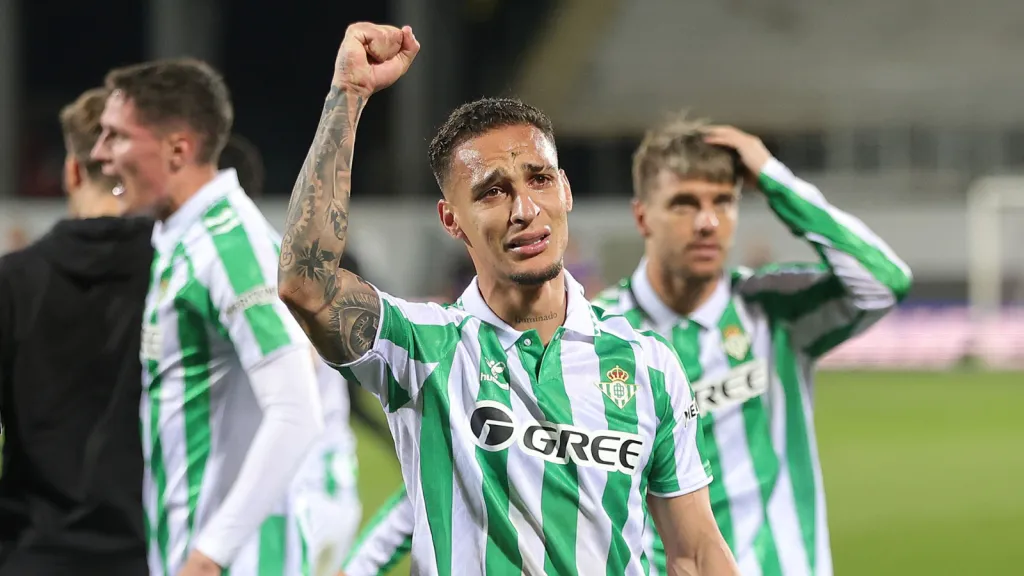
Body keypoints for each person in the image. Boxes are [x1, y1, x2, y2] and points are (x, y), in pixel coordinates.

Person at [278, 22, 740, 576]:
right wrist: (348, 96)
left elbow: (695, 553)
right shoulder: (423, 348)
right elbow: (305, 283)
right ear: (451, 219)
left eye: (539, 179)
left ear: (565, 189)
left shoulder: (648, 365)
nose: (525, 210)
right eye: (493, 191)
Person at [593, 116, 912, 574]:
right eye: (684, 203)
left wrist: (773, 179)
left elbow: (884, 281)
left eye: (724, 202)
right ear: (642, 216)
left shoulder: (774, 310)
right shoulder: (596, 333)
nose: (708, 222)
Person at [91, 58, 325, 576]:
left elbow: (297, 411)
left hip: (237, 562)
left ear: (177, 149)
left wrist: (209, 556)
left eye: (116, 136)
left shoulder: (230, 247)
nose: (99, 154)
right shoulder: (183, 239)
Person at [0, 87, 153, 575]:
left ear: (71, 171)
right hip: (151, 554)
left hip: (30, 551)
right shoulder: (177, 274)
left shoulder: (13, 281)